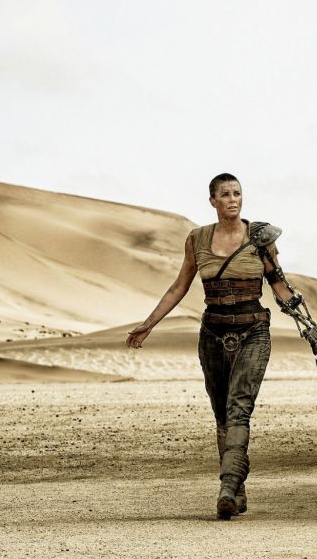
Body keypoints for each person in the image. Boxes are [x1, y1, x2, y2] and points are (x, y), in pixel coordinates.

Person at [126, 173, 299, 520]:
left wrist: (308, 326)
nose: (233, 199)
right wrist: (148, 324)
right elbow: (179, 287)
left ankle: (227, 486)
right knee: (222, 414)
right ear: (213, 201)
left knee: (239, 409)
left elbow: (279, 283)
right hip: (213, 335)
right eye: (225, 194)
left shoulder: (261, 236)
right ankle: (238, 491)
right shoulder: (198, 239)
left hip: (253, 331)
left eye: (237, 193)